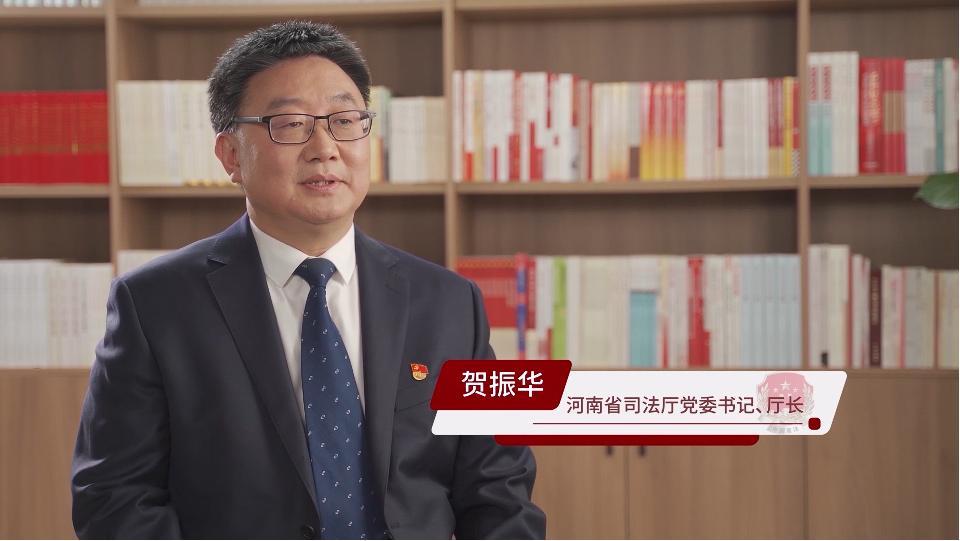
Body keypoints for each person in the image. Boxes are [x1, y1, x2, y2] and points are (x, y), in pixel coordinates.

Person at [71, 20, 546, 540]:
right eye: (291, 124)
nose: (325, 147)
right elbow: (115, 499)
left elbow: (499, 493)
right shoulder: (154, 305)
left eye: (345, 120)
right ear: (231, 155)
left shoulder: (451, 303)